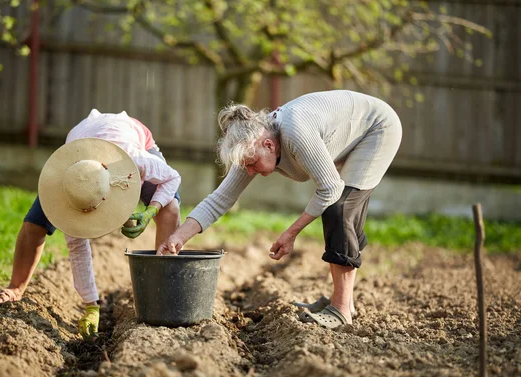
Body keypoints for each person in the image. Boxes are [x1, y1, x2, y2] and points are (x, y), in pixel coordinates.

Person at [157, 90, 402, 329]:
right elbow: (219, 200)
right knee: (338, 210)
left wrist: (291, 233)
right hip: (346, 134)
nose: (250, 171)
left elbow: (330, 188)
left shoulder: (295, 134)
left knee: (339, 209)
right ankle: (344, 300)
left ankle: (341, 310)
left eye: (252, 164)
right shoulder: (251, 146)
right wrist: (178, 237)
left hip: (376, 128)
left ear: (268, 145)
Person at [0, 109, 181, 338]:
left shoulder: (136, 160)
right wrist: (91, 305)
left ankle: (162, 294)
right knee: (34, 225)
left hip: (129, 139)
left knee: (170, 210)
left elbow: (173, 177)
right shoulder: (70, 183)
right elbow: (77, 248)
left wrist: (151, 210)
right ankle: (15, 288)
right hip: (82, 147)